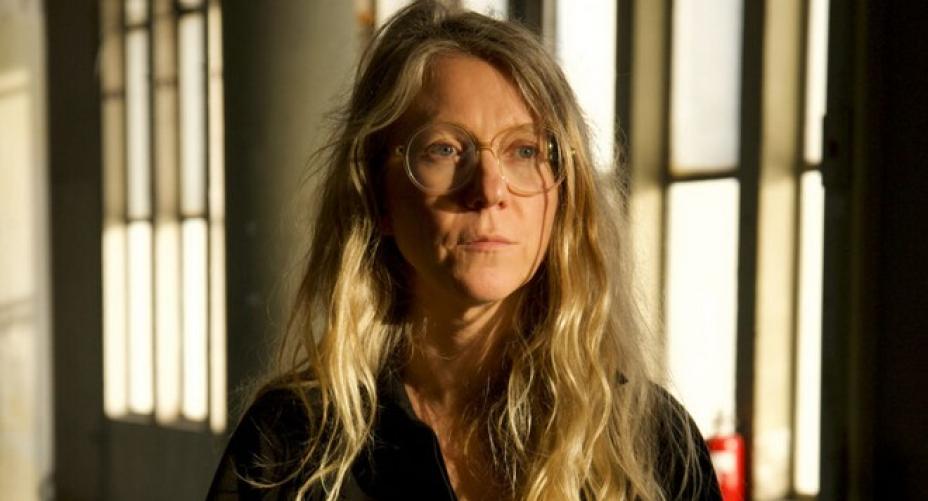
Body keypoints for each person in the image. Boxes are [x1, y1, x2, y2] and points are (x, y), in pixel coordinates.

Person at [207, 2, 721, 500]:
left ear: (564, 195)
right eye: (446, 149)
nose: (489, 189)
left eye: (525, 151)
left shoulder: (649, 445)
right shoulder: (290, 443)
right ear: (377, 194)